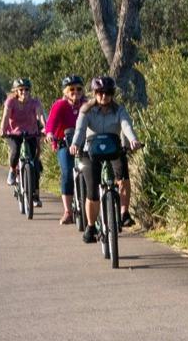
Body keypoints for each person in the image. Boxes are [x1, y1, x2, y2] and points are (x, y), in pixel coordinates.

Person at [68, 77, 141, 242]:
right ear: (94, 93)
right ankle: (91, 226)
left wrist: (133, 140)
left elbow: (126, 125)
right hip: (90, 153)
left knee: (122, 177)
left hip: (113, 150)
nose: (104, 96)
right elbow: (79, 130)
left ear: (112, 94)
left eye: (107, 93)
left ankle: (124, 213)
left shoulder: (119, 110)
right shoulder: (86, 110)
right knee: (92, 191)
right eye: (100, 92)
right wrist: (75, 145)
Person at [46, 75, 86, 224]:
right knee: (67, 173)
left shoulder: (86, 104)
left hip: (84, 144)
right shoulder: (60, 105)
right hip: (63, 143)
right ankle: (68, 211)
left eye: (79, 89)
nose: (75, 92)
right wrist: (50, 134)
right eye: (71, 89)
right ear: (65, 91)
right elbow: (51, 122)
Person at [1, 78, 44, 203]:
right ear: (16, 91)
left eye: (26, 90)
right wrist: (2, 130)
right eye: (21, 90)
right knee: (16, 149)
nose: (24, 92)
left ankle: (35, 195)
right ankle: (13, 171)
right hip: (13, 133)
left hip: (31, 133)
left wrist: (45, 127)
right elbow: (5, 117)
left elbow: (40, 116)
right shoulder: (10, 102)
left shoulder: (35, 102)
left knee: (34, 163)